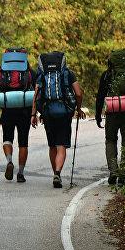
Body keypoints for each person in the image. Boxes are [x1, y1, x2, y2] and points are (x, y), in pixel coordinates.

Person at [33, 51, 85, 188]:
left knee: (52, 145)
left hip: (47, 113)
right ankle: (58, 172)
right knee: (61, 145)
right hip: (64, 113)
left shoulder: (42, 75)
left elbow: (36, 96)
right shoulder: (68, 73)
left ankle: (55, 174)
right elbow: (78, 94)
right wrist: (78, 109)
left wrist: (33, 115)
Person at [95, 50, 125, 186]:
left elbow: (100, 96)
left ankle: (113, 171)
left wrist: (98, 115)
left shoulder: (108, 75)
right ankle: (123, 175)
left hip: (113, 112)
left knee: (110, 140)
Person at [0, 48, 36, 183]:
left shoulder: (2, 72)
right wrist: (36, 112)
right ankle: (20, 173)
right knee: (23, 142)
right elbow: (37, 90)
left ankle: (9, 161)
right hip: (24, 111)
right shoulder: (28, 72)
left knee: (7, 139)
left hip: (7, 110)